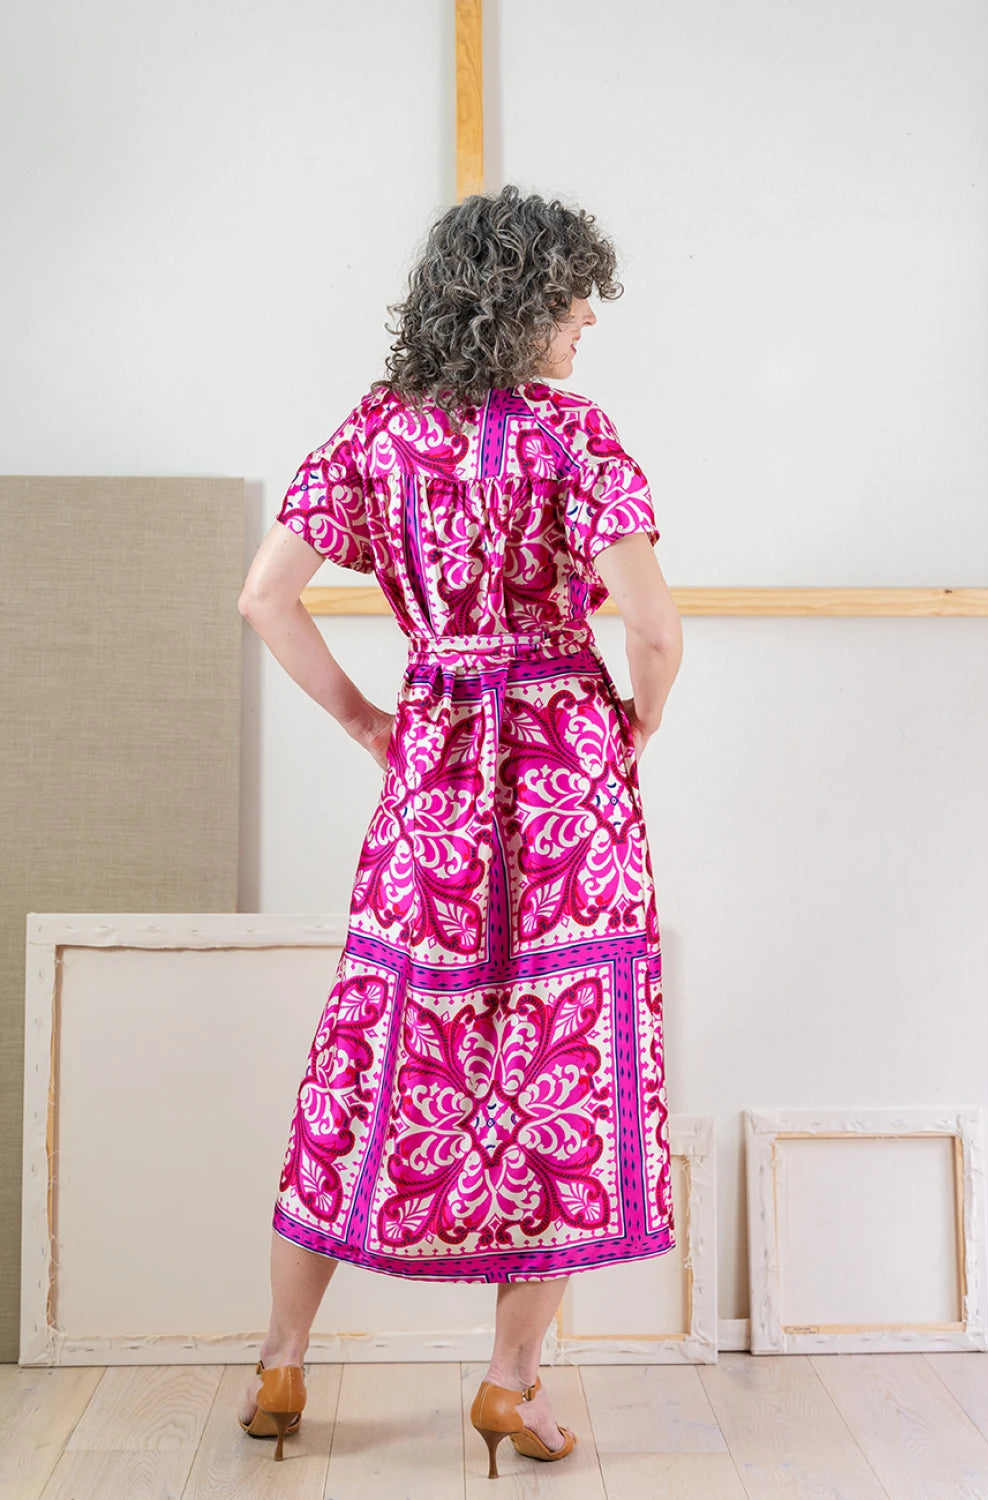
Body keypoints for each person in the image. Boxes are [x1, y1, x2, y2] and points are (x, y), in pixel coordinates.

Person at [236, 183, 683, 1473]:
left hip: (431, 770)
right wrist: (635, 723)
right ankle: (510, 1385)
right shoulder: (575, 438)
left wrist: (377, 721)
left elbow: (266, 600)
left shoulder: (375, 434)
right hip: (562, 776)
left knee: (366, 1052)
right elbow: (652, 628)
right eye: (572, 297)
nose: (589, 316)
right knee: (563, 1064)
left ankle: (280, 1364)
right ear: (520, 305)